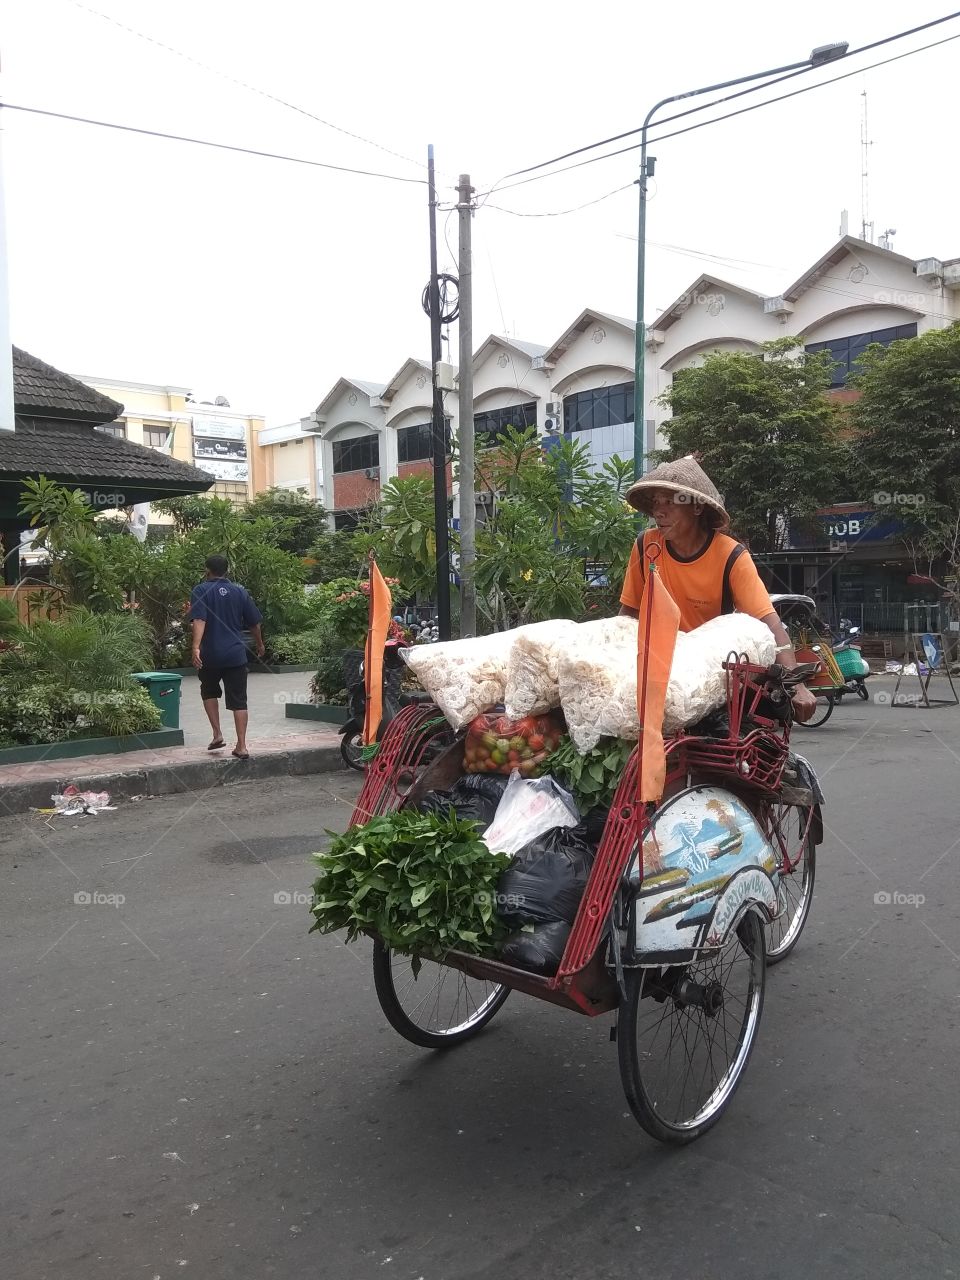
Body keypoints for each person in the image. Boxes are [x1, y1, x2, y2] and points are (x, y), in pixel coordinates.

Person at [619, 456, 817, 723]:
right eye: (656, 502)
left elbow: (769, 622)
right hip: (654, 669)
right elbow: (627, 616)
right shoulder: (646, 546)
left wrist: (795, 685)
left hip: (709, 677)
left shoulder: (730, 555)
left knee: (744, 745)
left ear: (697, 508)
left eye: (669, 502)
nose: (659, 511)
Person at [190, 554, 265, 759]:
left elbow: (199, 619)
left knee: (209, 692)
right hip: (235, 655)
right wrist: (259, 644)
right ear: (227, 570)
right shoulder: (240, 591)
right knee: (239, 700)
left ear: (207, 570)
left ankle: (217, 734)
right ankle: (241, 746)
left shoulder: (201, 590)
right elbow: (254, 623)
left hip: (210, 655)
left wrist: (196, 647)